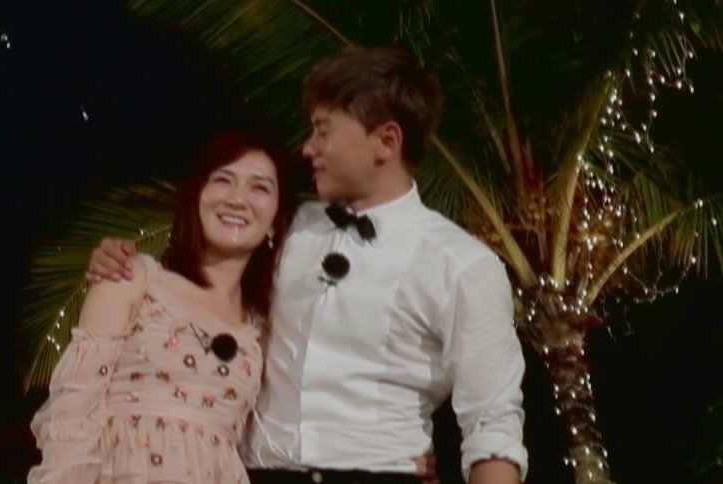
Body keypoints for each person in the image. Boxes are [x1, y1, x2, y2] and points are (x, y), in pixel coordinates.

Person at [87, 46, 527, 484]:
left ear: (386, 141)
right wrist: (117, 258)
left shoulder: (462, 266)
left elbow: (493, 424)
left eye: (322, 131)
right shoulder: (279, 227)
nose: (307, 148)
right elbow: (194, 277)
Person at [28, 128, 297, 483]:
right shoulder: (132, 277)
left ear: (276, 219)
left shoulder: (263, 329)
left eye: (259, 187)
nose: (237, 198)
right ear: (196, 196)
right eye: (223, 180)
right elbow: (73, 410)